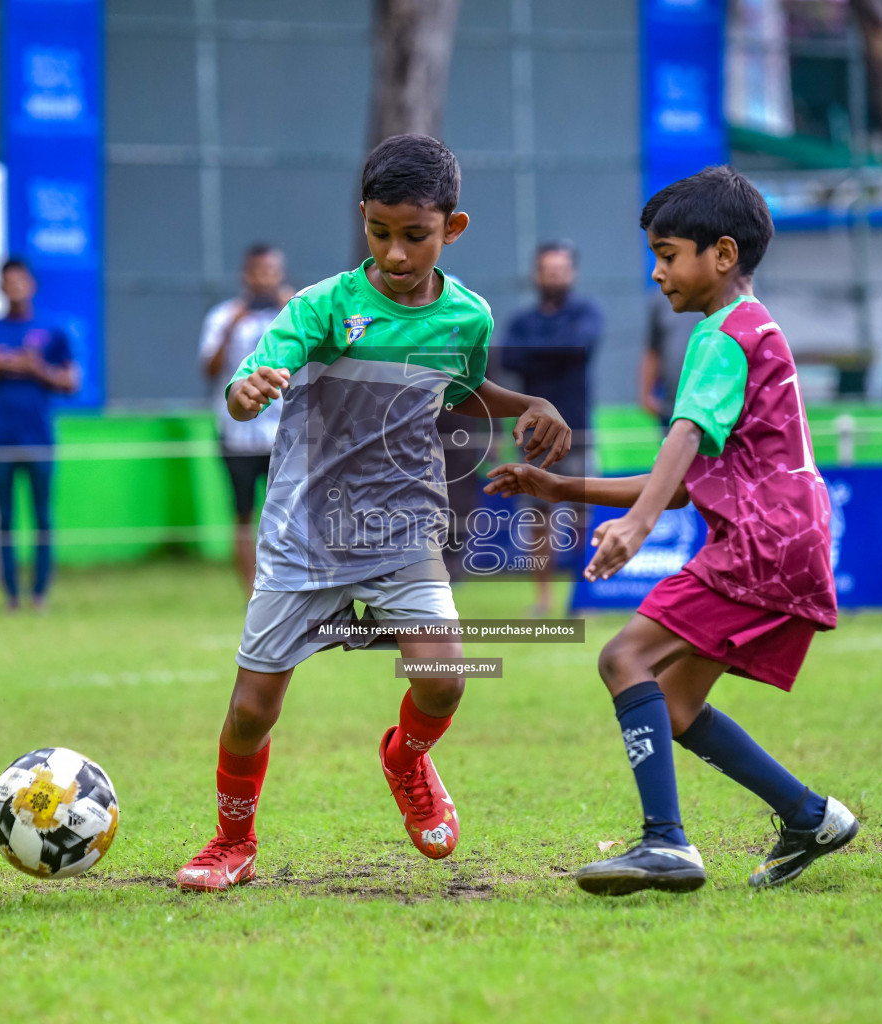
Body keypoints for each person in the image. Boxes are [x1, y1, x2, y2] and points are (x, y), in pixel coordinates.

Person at [175, 134, 572, 892]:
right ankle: (233, 842)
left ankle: (406, 758)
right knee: (253, 708)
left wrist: (530, 405)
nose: (395, 253)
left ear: (451, 229)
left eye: (414, 236)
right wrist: (248, 389)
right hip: (305, 534)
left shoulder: (467, 319)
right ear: (364, 219)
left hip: (401, 531)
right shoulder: (323, 305)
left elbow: (460, 391)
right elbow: (261, 370)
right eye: (380, 232)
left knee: (445, 680)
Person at [488, 166, 857, 895]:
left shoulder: (723, 336)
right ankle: (811, 816)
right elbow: (688, 478)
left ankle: (666, 844)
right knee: (678, 703)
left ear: (722, 255)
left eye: (667, 253)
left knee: (625, 659)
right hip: (786, 537)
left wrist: (635, 522)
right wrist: (559, 486)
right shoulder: (753, 328)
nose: (656, 273)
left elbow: (682, 438)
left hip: (762, 540)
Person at [0, 258, 79, 612]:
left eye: (19, 280)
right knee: (5, 518)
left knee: (42, 516)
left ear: (31, 285)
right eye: (7, 281)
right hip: (0, 436)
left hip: (39, 436)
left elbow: (71, 382)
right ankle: (11, 595)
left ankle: (39, 594)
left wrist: (36, 368)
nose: (14, 286)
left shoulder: (52, 331)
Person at [499, 241, 602, 613]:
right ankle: (542, 598)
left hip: (578, 431)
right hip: (533, 437)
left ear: (571, 273)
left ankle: (587, 595)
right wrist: (556, 351)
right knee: (536, 518)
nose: (554, 277)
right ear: (536, 274)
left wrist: (539, 354)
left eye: (561, 270)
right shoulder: (521, 321)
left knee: (584, 515)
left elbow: (578, 346)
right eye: (548, 270)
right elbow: (510, 358)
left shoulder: (588, 312)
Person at [199, 244, 294, 594]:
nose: (264, 279)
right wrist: (230, 328)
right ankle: (250, 593)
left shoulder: (296, 313)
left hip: (286, 432)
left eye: (271, 271)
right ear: (245, 274)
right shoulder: (224, 315)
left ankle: (283, 587)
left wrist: (291, 309)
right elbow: (208, 369)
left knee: (288, 515)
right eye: (258, 271)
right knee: (242, 514)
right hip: (236, 432)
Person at [639, 289, 704, 426]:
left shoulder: (725, 297)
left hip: (713, 407)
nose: (658, 274)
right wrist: (646, 394)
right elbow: (653, 349)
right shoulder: (662, 298)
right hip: (671, 407)